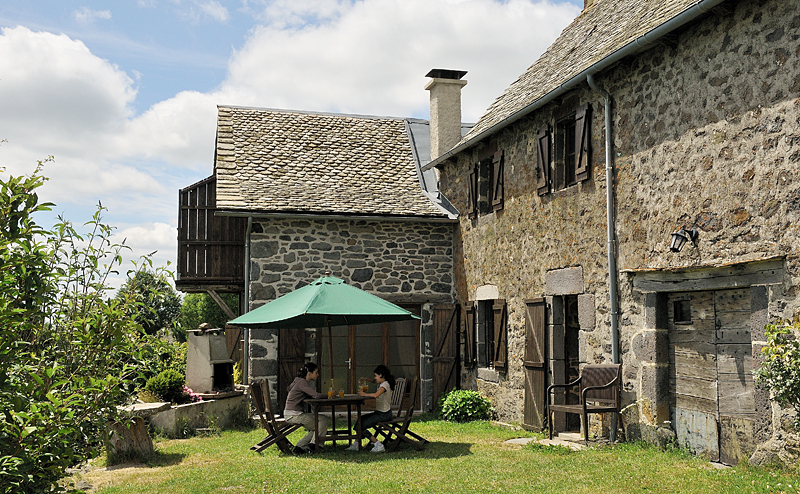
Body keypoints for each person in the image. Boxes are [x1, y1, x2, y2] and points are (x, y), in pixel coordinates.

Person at [347, 364, 395, 453]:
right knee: (360, 420)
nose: (375, 378)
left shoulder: (384, 385)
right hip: (381, 413)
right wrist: (366, 379)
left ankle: (378, 444)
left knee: (360, 426)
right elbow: (374, 381)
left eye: (376, 375)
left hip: (384, 414)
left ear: (380, 375)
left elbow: (376, 395)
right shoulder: (384, 382)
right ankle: (357, 444)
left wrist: (364, 395)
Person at [284, 362, 329, 455]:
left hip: (293, 413)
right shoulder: (302, 383)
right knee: (318, 426)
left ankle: (302, 446)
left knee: (323, 419)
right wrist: (330, 395)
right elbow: (316, 395)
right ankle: (314, 445)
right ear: (309, 373)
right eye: (316, 372)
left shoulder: (298, 381)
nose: (318, 375)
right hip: (294, 415)